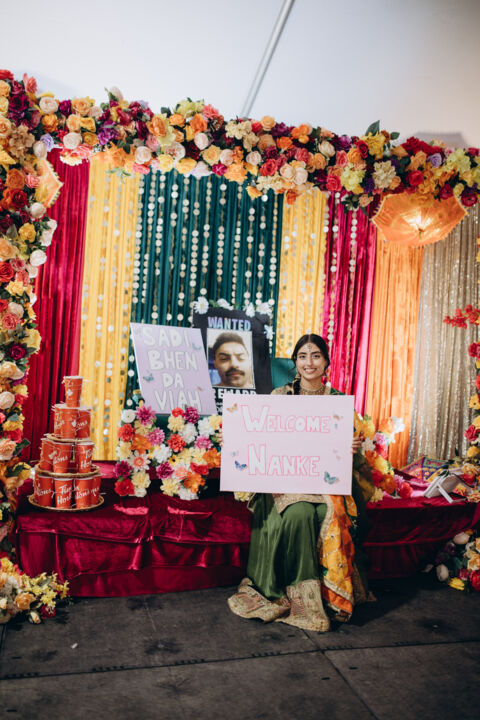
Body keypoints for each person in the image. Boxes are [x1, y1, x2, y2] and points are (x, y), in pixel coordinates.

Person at [227, 333, 373, 632]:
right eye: (303, 356)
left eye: (316, 355)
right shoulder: (280, 398)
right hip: (284, 481)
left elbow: (352, 459)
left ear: (326, 362)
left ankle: (330, 599)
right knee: (300, 513)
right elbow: (259, 439)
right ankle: (300, 600)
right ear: (295, 361)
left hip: (325, 484)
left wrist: (351, 449)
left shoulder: (338, 403)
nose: (309, 362)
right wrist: (235, 436)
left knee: (327, 513)